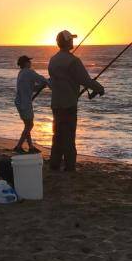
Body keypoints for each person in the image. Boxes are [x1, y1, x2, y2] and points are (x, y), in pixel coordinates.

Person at [47, 30, 104, 171]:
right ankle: (69, 166)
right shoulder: (73, 61)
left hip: (56, 104)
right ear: (67, 42)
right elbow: (85, 80)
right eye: (71, 39)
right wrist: (100, 88)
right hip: (69, 105)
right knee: (69, 136)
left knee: (58, 135)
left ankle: (54, 164)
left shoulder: (53, 60)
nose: (73, 41)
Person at [13, 55, 49, 154]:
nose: (30, 62)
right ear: (25, 63)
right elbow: (41, 79)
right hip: (25, 103)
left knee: (27, 125)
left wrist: (42, 85)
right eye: (29, 61)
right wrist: (48, 83)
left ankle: (31, 147)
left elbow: (33, 88)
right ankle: (19, 146)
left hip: (20, 102)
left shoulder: (21, 73)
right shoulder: (29, 72)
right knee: (29, 125)